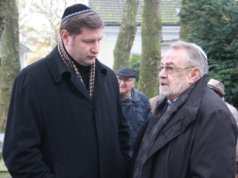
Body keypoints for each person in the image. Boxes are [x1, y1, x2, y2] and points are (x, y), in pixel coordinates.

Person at [3, 4, 130, 178]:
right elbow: (19, 153)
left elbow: (121, 135)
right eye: (88, 41)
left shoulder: (108, 77)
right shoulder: (31, 80)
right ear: (65, 36)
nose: (96, 48)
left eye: (99, 40)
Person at [130, 40, 237, 178]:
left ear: (193, 75)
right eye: (161, 67)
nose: (162, 74)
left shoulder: (214, 114)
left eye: (170, 68)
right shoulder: (165, 105)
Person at [115, 67, 151, 157]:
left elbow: (149, 126)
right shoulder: (110, 99)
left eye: (126, 80)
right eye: (119, 79)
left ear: (134, 82)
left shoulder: (143, 100)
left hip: (138, 152)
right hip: (117, 153)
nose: (122, 83)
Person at [208, 78, 238, 178]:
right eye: (209, 90)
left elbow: (235, 137)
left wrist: (235, 159)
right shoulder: (203, 105)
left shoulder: (230, 110)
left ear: (220, 94)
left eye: (214, 91)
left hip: (223, 155)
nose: (211, 93)